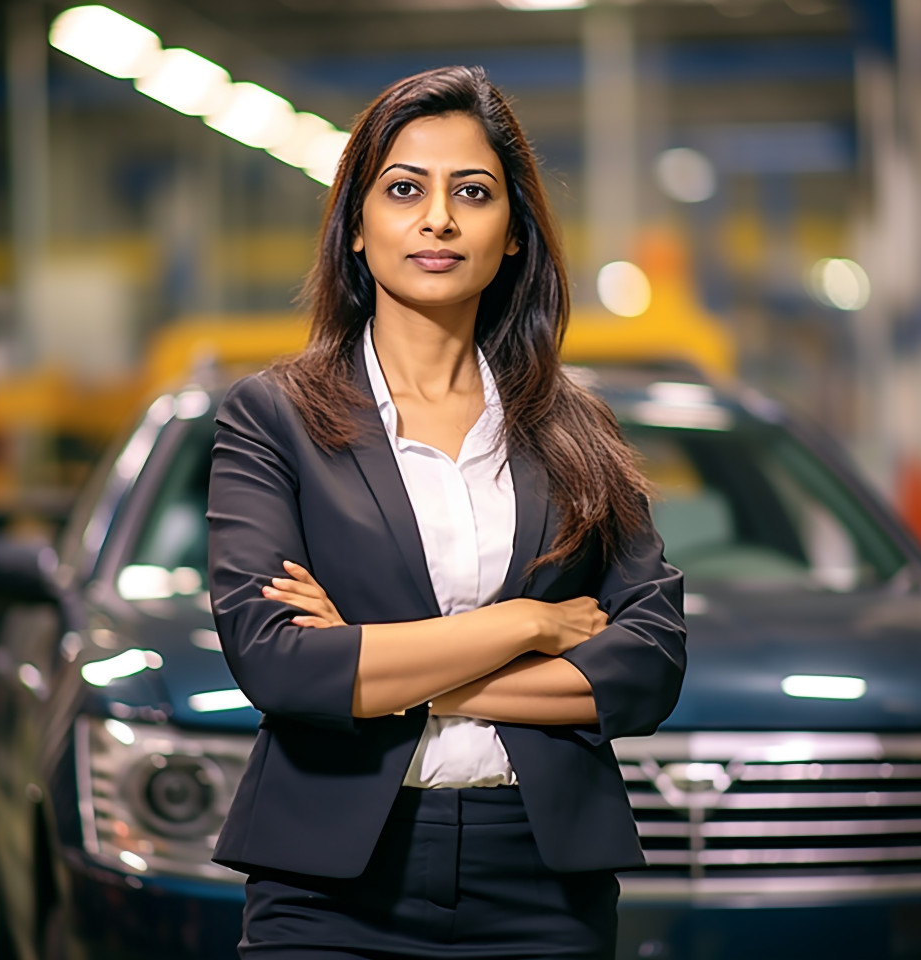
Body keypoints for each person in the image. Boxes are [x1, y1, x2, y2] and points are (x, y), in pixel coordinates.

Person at [207, 65, 686, 960]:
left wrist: (374, 664)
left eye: (473, 192)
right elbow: (277, 665)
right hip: (327, 888)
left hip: (541, 881)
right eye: (403, 190)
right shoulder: (272, 416)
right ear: (356, 226)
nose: (438, 218)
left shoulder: (576, 428)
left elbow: (648, 663)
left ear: (513, 236)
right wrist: (525, 623)